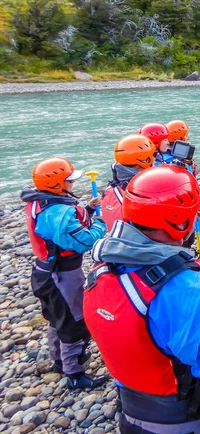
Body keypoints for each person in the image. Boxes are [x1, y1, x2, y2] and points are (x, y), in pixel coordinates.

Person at [83, 166, 200, 434]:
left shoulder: (100, 273)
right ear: (181, 223)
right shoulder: (193, 289)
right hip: (187, 420)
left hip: (131, 413)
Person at [20, 158, 107, 390]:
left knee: (56, 319)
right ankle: (75, 373)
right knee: (73, 322)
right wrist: (101, 225)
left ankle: (59, 361)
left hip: (44, 272)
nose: (72, 183)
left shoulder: (41, 202)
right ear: (57, 183)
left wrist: (87, 209)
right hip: (62, 277)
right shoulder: (57, 211)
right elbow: (83, 241)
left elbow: (65, 227)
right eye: (68, 180)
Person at [101, 134, 155, 231]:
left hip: (117, 242)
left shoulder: (111, 188)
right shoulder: (144, 188)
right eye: (153, 155)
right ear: (144, 159)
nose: (155, 158)